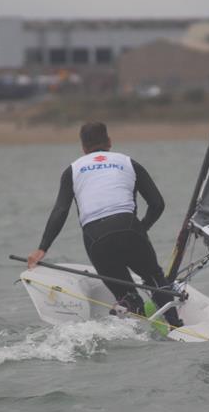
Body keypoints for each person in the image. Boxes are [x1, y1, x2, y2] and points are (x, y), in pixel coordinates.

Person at [26, 121, 183, 327]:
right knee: (154, 279)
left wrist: (42, 248)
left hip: (96, 237)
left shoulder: (72, 170)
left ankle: (130, 305)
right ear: (109, 141)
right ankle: (175, 325)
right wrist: (140, 229)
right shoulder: (129, 163)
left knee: (125, 293)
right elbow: (157, 204)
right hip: (129, 227)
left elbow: (60, 211)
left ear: (83, 147)